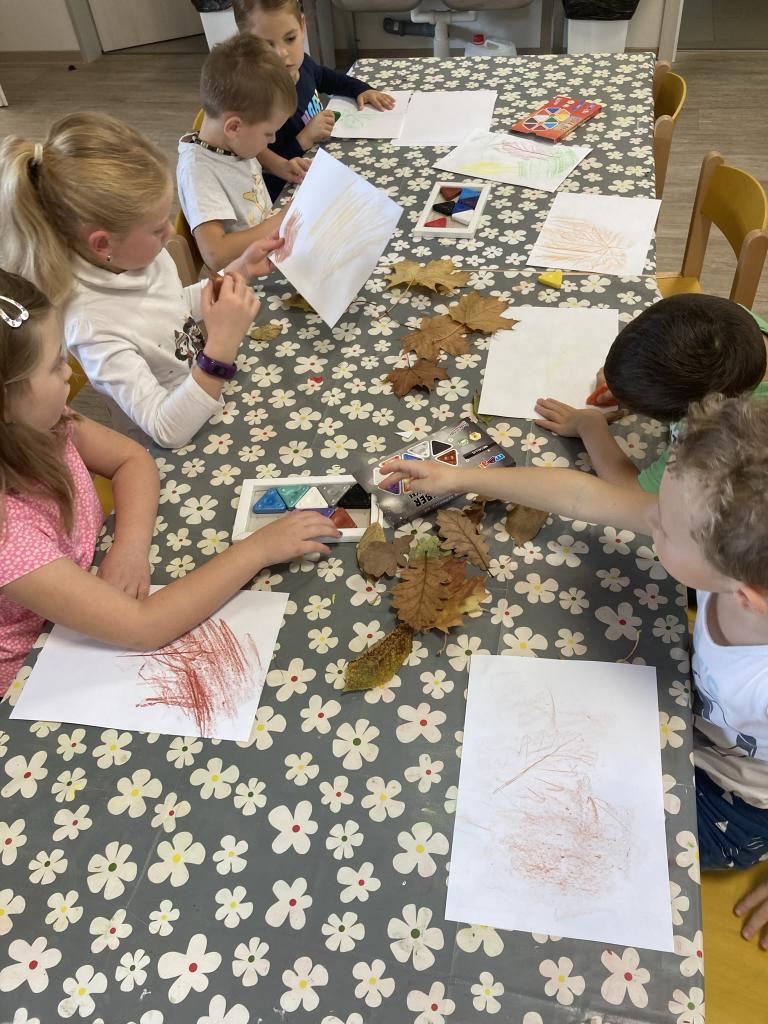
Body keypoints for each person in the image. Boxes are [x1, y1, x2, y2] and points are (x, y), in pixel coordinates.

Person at [380, 392, 768, 947]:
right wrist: (461, 477)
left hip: (731, 797)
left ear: (747, 596)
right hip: (700, 710)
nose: (649, 517)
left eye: (663, 528)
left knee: (584, 843)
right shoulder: (727, 548)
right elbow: (585, 495)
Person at [0, 270, 338, 698]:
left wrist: (130, 547)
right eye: (54, 366)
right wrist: (258, 550)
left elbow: (131, 459)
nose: (70, 373)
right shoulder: (7, 533)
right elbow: (144, 627)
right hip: (37, 679)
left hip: (94, 589)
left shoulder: (46, 423)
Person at [0, 112, 281, 449]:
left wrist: (235, 272)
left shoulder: (137, 257)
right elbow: (166, 430)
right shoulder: (92, 327)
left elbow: (170, 309)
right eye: (157, 228)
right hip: (172, 449)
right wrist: (220, 347)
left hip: (207, 395)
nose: (171, 233)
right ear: (102, 244)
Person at [533, 294, 768, 492]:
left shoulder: (722, 433)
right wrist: (631, 384)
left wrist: (590, 426)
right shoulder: (732, 324)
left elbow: (636, 495)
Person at [233, 0, 395, 201]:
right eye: (267, 45)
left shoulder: (302, 66)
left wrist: (361, 89)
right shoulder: (256, 98)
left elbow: (326, 77)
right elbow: (260, 159)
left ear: (302, 26)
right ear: (247, 45)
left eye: (290, 38)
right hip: (286, 191)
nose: (282, 53)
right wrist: (303, 140)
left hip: (321, 162)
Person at [178, 33, 297, 272]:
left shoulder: (227, 140)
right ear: (234, 127)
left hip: (268, 249)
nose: (273, 140)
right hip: (246, 278)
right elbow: (216, 254)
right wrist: (280, 220)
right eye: (268, 133)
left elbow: (250, 151)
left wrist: (281, 166)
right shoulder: (199, 173)